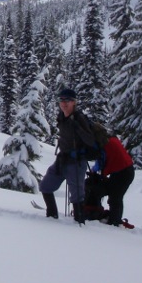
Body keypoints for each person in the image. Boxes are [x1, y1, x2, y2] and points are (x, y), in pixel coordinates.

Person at [39, 88, 97, 224]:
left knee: (77, 196)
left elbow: (90, 140)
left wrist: (78, 127)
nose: (64, 103)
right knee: (45, 186)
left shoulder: (79, 118)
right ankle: (51, 218)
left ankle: (79, 223)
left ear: (74, 102)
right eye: (62, 100)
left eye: (68, 100)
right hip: (62, 160)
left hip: (77, 162)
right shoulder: (62, 116)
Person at [83, 134, 135, 226]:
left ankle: (114, 221)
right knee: (115, 197)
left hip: (123, 172)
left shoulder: (104, 145)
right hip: (125, 170)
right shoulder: (110, 140)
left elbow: (101, 161)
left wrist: (94, 170)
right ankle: (114, 219)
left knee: (115, 198)